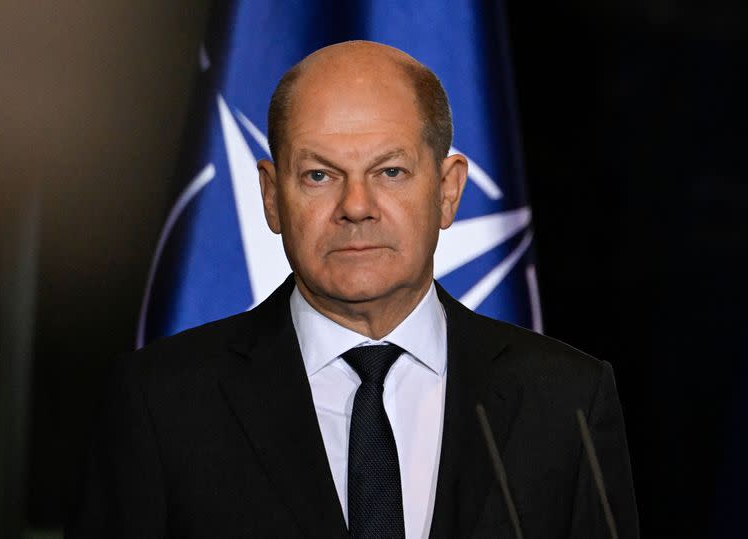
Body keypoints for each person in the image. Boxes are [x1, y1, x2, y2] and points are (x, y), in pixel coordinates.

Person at [69, 41, 639, 538]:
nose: (357, 207)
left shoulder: (567, 402)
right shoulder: (160, 405)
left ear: (447, 190)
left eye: (390, 172)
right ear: (272, 196)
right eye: (320, 175)